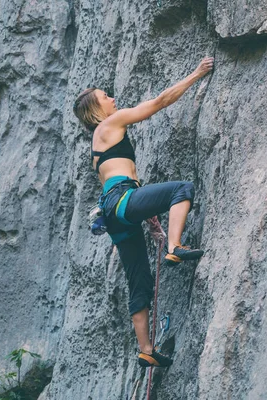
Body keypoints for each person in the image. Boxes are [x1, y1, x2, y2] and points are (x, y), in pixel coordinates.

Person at [72, 57, 214, 368]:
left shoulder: (97, 141)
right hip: (121, 200)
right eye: (105, 96)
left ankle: (146, 349)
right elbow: (160, 102)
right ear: (97, 110)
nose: (112, 98)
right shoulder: (110, 123)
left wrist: (144, 215)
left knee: (139, 282)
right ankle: (176, 246)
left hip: (115, 211)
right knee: (182, 189)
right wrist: (197, 73)